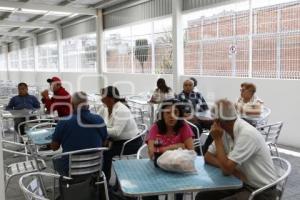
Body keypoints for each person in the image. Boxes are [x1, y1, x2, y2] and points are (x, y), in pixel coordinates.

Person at [196, 99, 278, 200]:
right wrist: (233, 171)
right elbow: (208, 157)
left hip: (261, 190)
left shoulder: (246, 134)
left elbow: (226, 170)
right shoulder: (224, 131)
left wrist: (217, 139)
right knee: (202, 197)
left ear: (217, 120)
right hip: (240, 183)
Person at [144, 99, 194, 200]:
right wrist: (172, 147)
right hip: (157, 168)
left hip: (178, 168)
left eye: (175, 112)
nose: (171, 116)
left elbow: (191, 151)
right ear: (162, 114)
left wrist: (160, 150)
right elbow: (151, 153)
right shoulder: (156, 127)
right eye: (167, 113)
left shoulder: (184, 126)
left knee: (177, 191)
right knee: (149, 193)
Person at [50, 91, 108, 176]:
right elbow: (104, 142)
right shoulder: (99, 119)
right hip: (96, 166)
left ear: (72, 104)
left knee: (55, 160)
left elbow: (54, 147)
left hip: (71, 169)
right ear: (87, 103)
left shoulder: (63, 122)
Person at [99, 86, 142, 183]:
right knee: (100, 147)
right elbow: (96, 120)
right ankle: (101, 179)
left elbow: (116, 132)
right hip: (117, 140)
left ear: (111, 98)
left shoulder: (122, 110)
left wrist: (101, 129)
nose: (101, 98)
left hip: (131, 143)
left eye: (103, 96)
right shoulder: (105, 108)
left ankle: (104, 181)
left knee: (106, 152)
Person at [177, 79, 212, 154]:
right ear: (183, 86)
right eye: (185, 85)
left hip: (200, 117)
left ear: (193, 86)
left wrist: (205, 117)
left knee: (214, 124)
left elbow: (205, 108)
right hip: (188, 119)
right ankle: (197, 149)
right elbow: (178, 112)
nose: (188, 87)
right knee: (197, 127)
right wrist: (187, 115)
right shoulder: (179, 97)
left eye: (190, 85)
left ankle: (208, 146)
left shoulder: (198, 95)